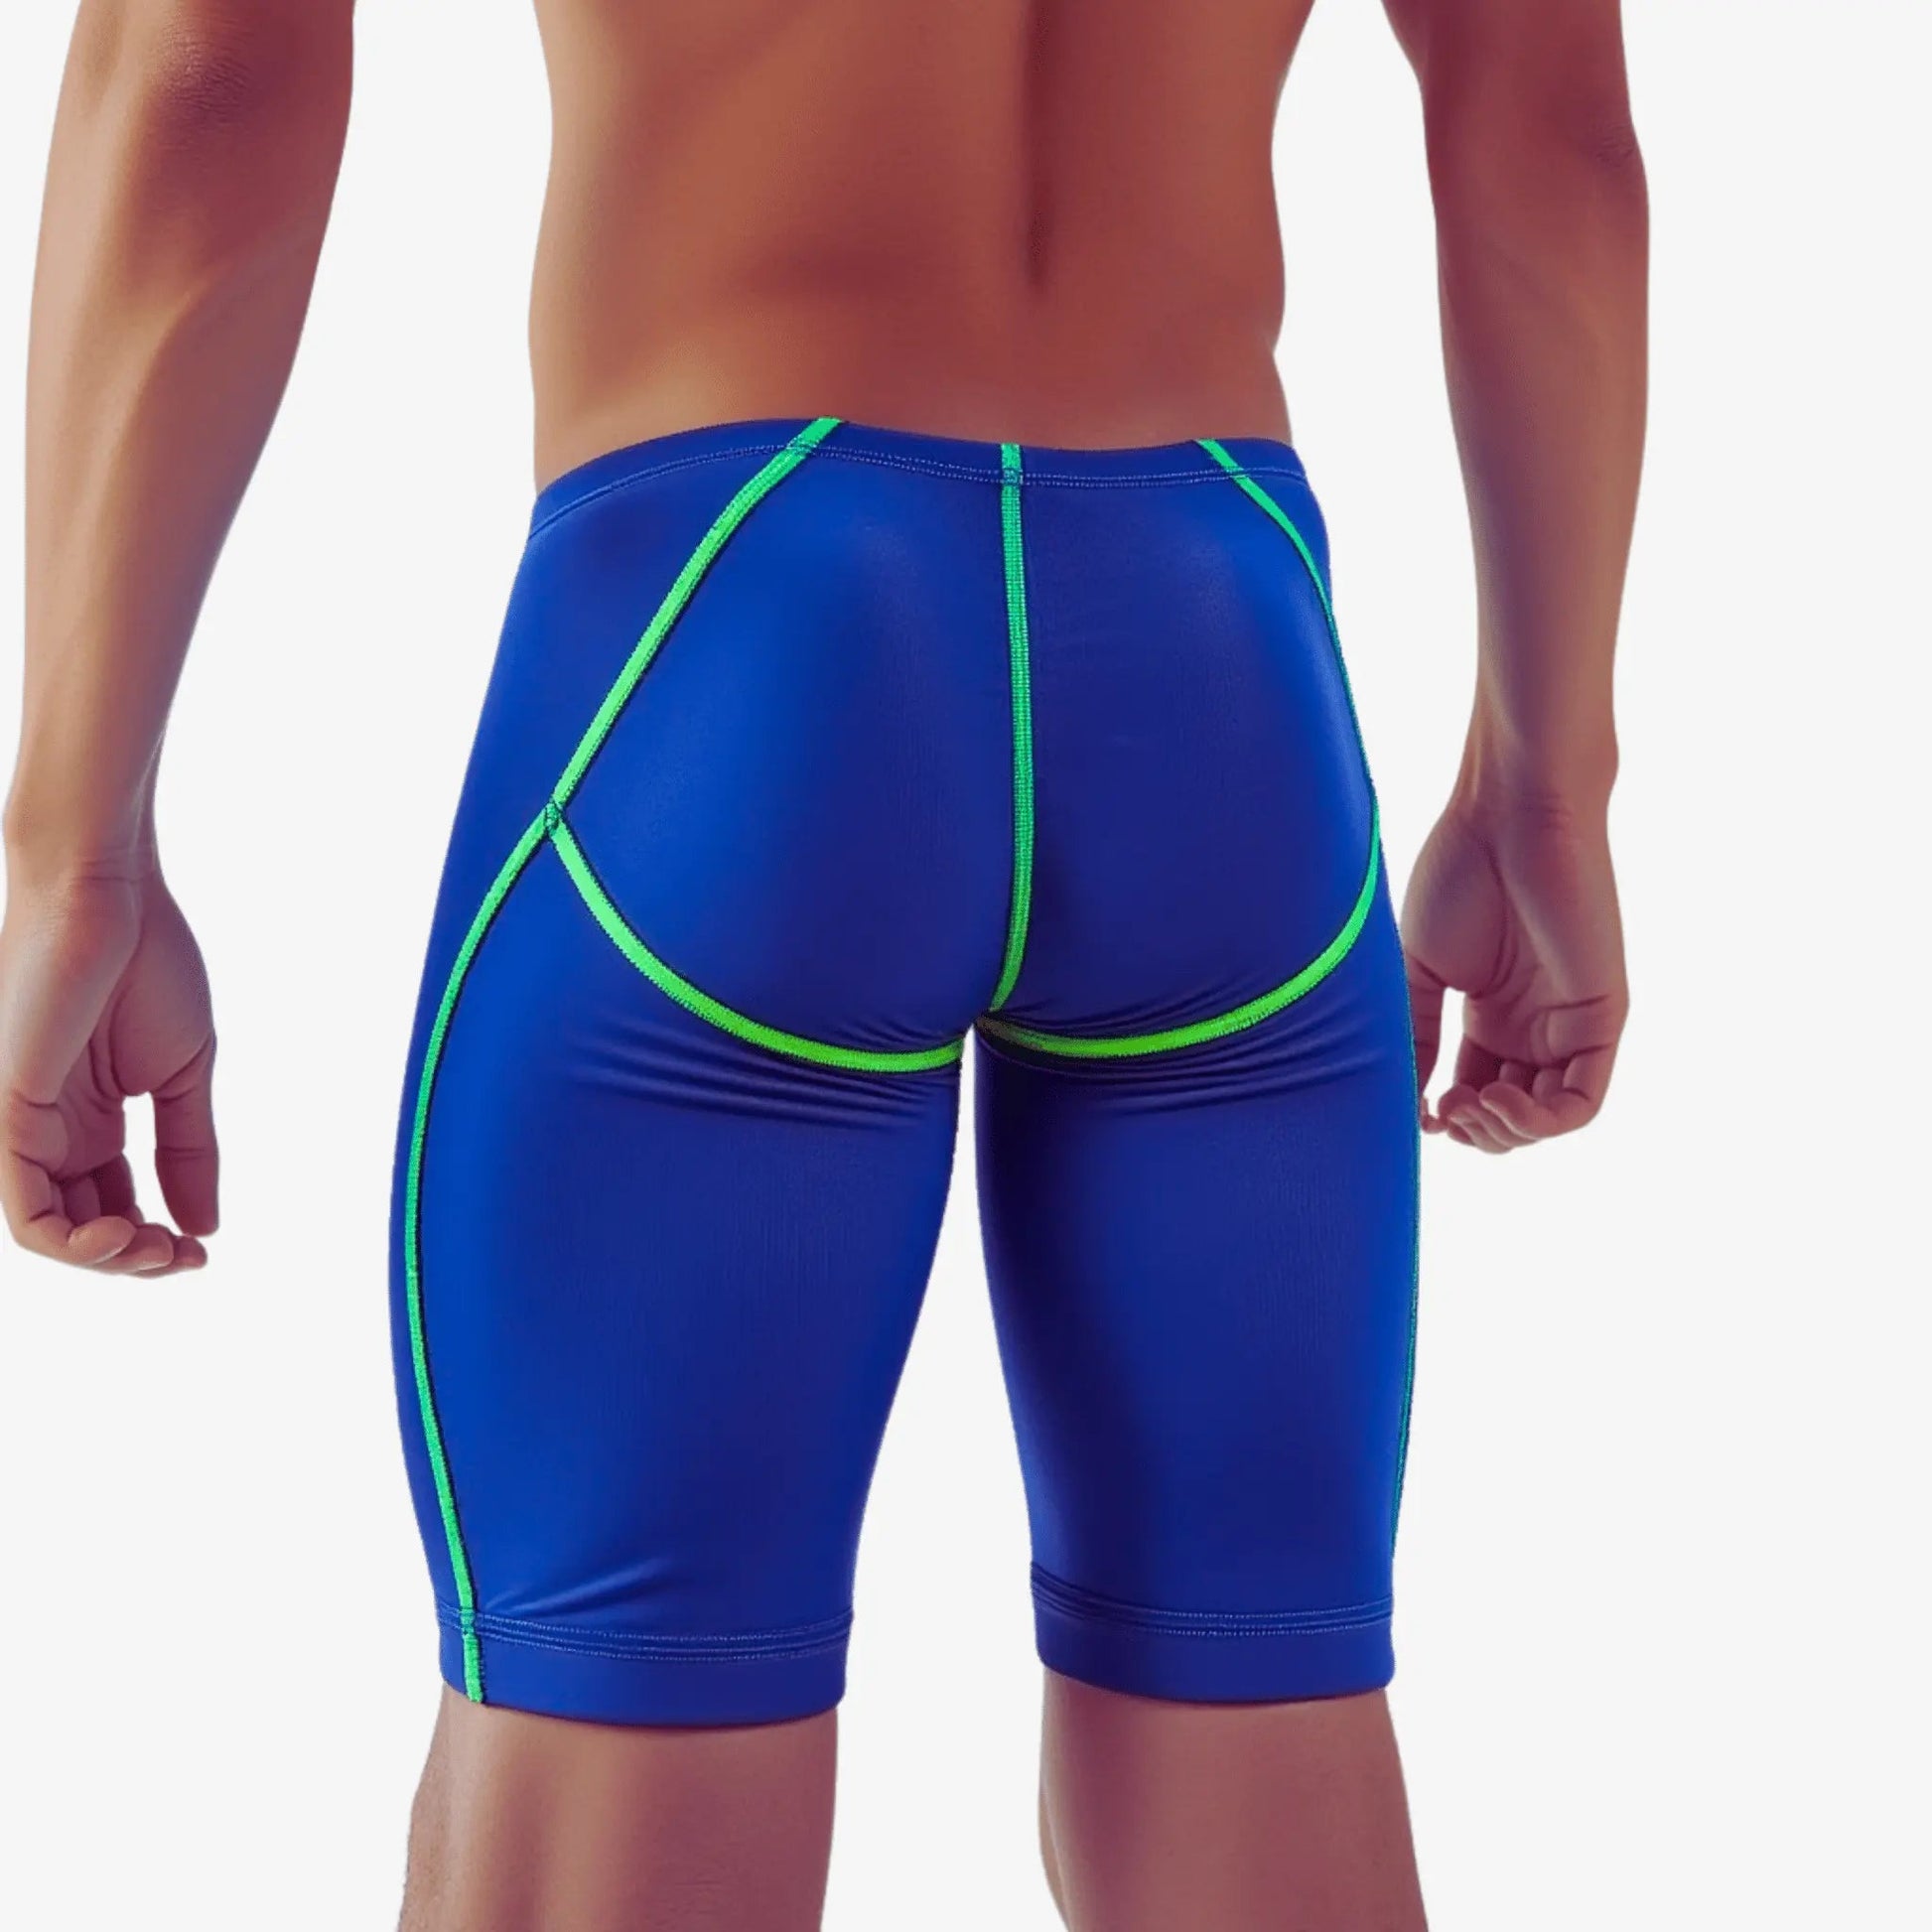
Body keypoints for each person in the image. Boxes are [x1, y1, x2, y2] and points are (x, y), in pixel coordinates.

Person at [0, 0, 1643, 1923]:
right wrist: (1544, 785)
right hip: (1221, 662)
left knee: (595, 1764)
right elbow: (1544, 118)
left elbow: (209, 73)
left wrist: (72, 846)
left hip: (728, 643)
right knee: (1268, 1747)